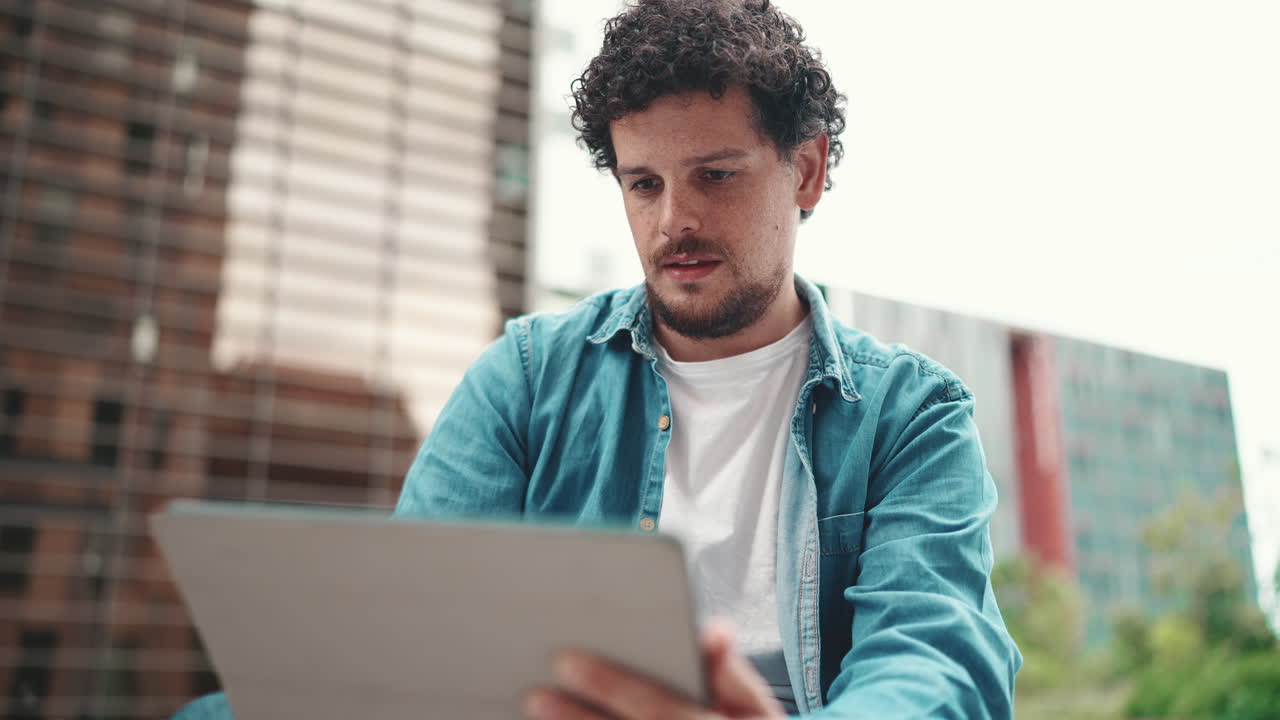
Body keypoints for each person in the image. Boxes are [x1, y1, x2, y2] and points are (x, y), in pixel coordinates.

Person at [173, 1, 1020, 718]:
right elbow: (417, 639)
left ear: (806, 170)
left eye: (715, 176)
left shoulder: (911, 415)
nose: (673, 221)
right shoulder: (526, 377)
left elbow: (934, 668)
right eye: (644, 183)